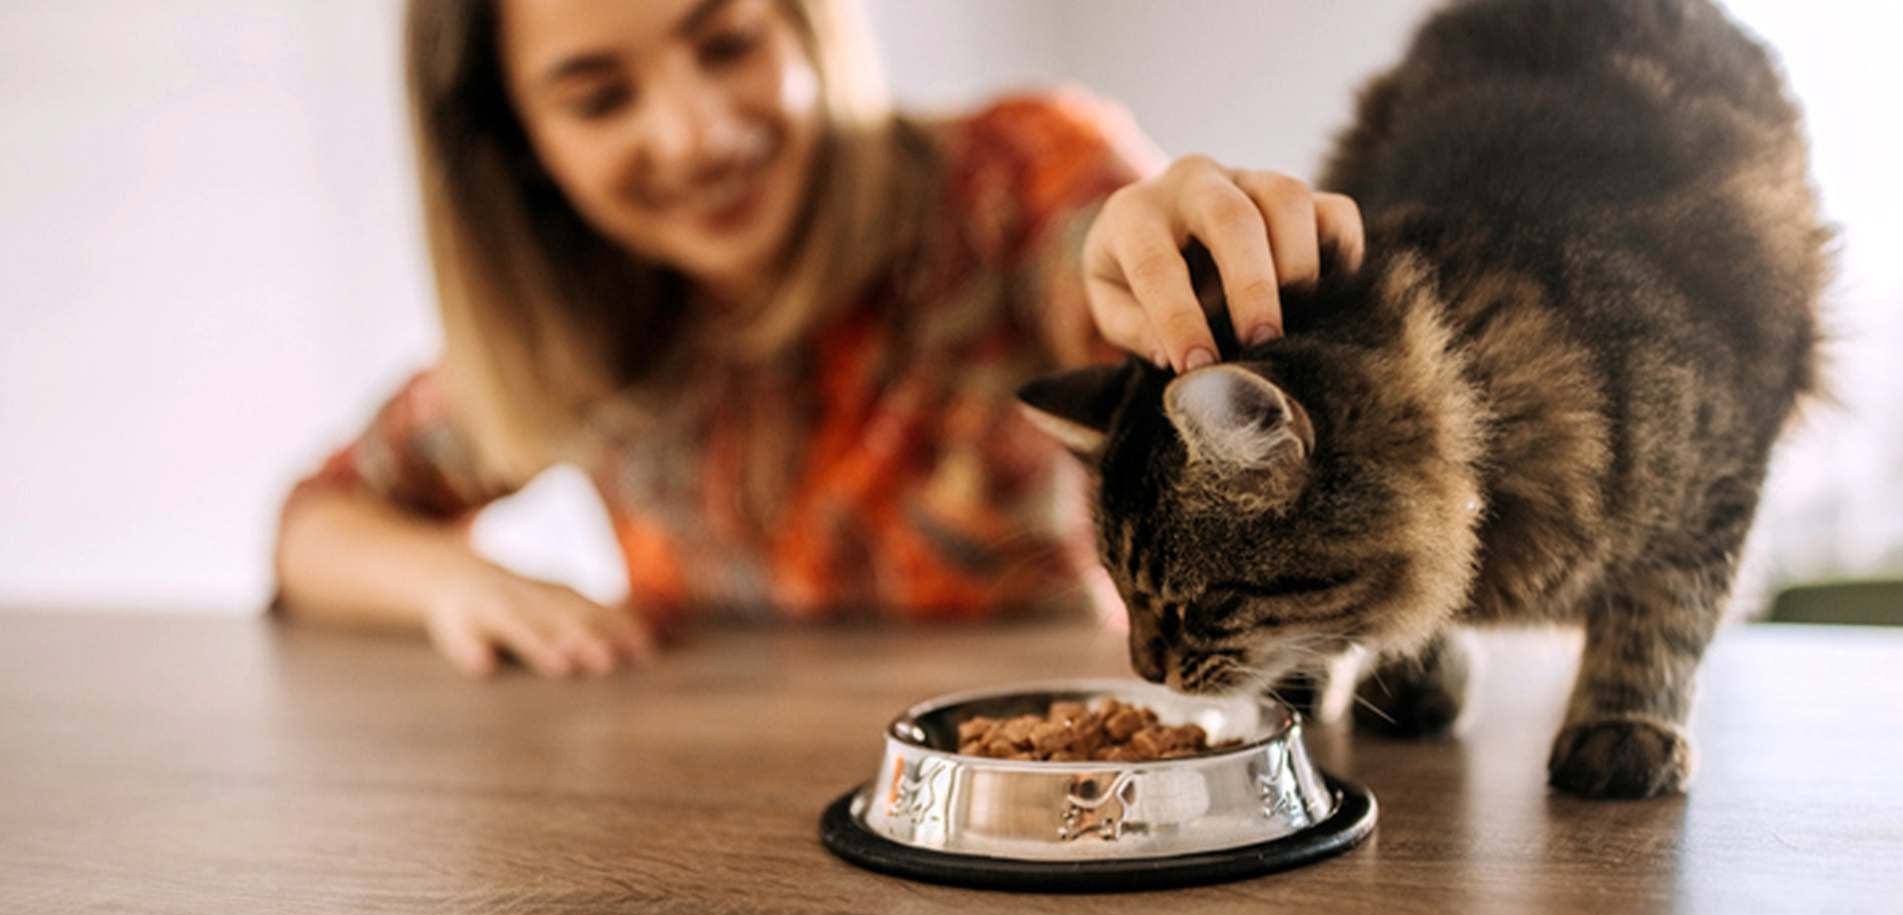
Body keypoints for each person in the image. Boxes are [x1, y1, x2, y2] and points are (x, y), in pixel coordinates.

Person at [272, 0, 1365, 678]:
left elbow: (1113, 270)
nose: (696, 134)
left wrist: (1180, 262)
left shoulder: (1011, 186)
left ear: (804, 22)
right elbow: (315, 525)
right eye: (600, 99)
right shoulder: (571, 328)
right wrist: (452, 583)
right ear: (518, 148)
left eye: (728, 41)